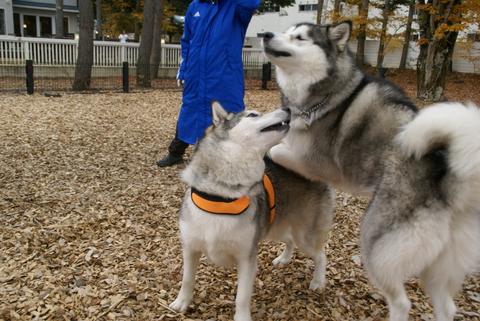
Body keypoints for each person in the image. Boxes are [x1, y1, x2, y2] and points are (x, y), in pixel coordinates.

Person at [156, 0, 261, 167]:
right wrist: (183, 70)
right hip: (195, 73)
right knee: (190, 111)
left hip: (224, 74)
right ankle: (176, 151)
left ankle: (231, 154)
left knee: (229, 113)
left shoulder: (234, 6)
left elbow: (250, 4)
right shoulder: (195, 6)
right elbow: (187, 41)